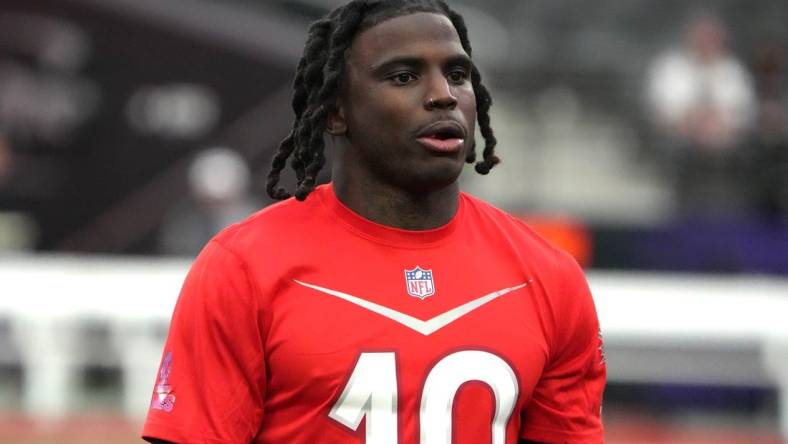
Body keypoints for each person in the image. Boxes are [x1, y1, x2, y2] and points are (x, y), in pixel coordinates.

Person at [142, 1, 605, 443]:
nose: (443, 95)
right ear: (336, 111)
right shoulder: (244, 268)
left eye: (457, 74)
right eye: (404, 76)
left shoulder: (548, 276)